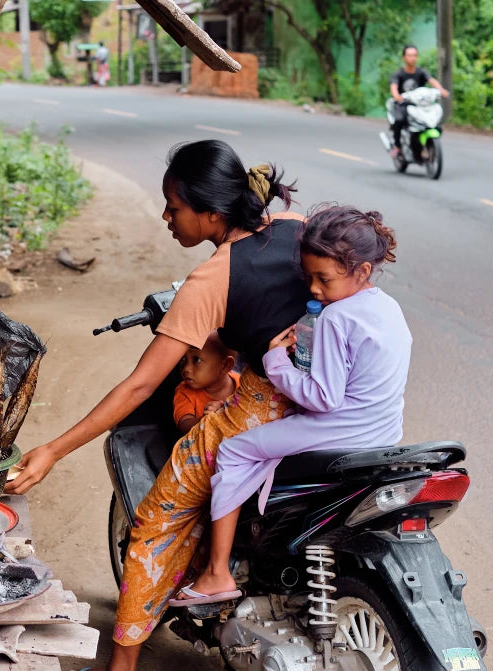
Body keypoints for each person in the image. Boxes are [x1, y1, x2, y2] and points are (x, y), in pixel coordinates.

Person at [5, 139, 312, 671]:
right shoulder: (298, 226)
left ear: (212, 213)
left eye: (173, 207)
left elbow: (141, 386)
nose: (165, 217)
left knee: (156, 521)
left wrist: (53, 448)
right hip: (333, 404)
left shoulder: (210, 281)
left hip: (262, 410)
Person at [170, 205, 411, 606]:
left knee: (233, 449)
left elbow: (323, 397)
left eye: (324, 279)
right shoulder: (387, 307)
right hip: (385, 431)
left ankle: (215, 574)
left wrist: (275, 361)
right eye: (309, 277)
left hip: (339, 428)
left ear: (362, 272)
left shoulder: (337, 318)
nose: (314, 289)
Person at [173, 330, 238, 435]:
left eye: (197, 360)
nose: (186, 368)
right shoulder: (184, 391)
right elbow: (184, 425)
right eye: (183, 359)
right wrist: (205, 420)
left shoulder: (243, 385)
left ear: (225, 365)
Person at [389, 44, 449, 156]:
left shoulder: (421, 72)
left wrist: (441, 90)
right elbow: (394, 86)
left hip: (421, 105)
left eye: (414, 55)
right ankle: (397, 146)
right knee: (399, 120)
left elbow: (432, 80)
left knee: (435, 121)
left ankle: (426, 145)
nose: (412, 58)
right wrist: (397, 96)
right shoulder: (399, 74)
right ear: (404, 57)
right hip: (404, 104)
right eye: (409, 55)